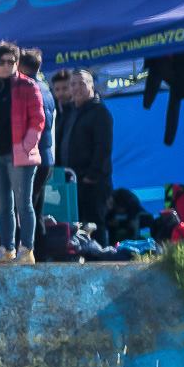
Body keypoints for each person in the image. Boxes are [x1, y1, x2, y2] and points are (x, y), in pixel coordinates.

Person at [0, 40, 45, 264]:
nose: (7, 65)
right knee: (3, 206)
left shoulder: (28, 86)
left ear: (17, 63)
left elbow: (38, 120)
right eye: (2, 62)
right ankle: (7, 249)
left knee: (24, 204)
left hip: (20, 156)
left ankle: (27, 250)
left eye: (12, 61)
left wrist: (25, 146)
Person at [61, 69, 113, 246]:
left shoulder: (100, 112)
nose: (77, 88)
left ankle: (100, 262)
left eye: (82, 83)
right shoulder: (69, 113)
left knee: (95, 225)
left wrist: (92, 176)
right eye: (73, 84)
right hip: (71, 182)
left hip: (92, 183)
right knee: (74, 226)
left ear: (91, 85)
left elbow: (103, 148)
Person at [19, 49, 55, 260]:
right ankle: (41, 255)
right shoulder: (46, 88)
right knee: (35, 209)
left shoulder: (29, 89)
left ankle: (30, 252)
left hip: (33, 156)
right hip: (46, 157)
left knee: (27, 208)